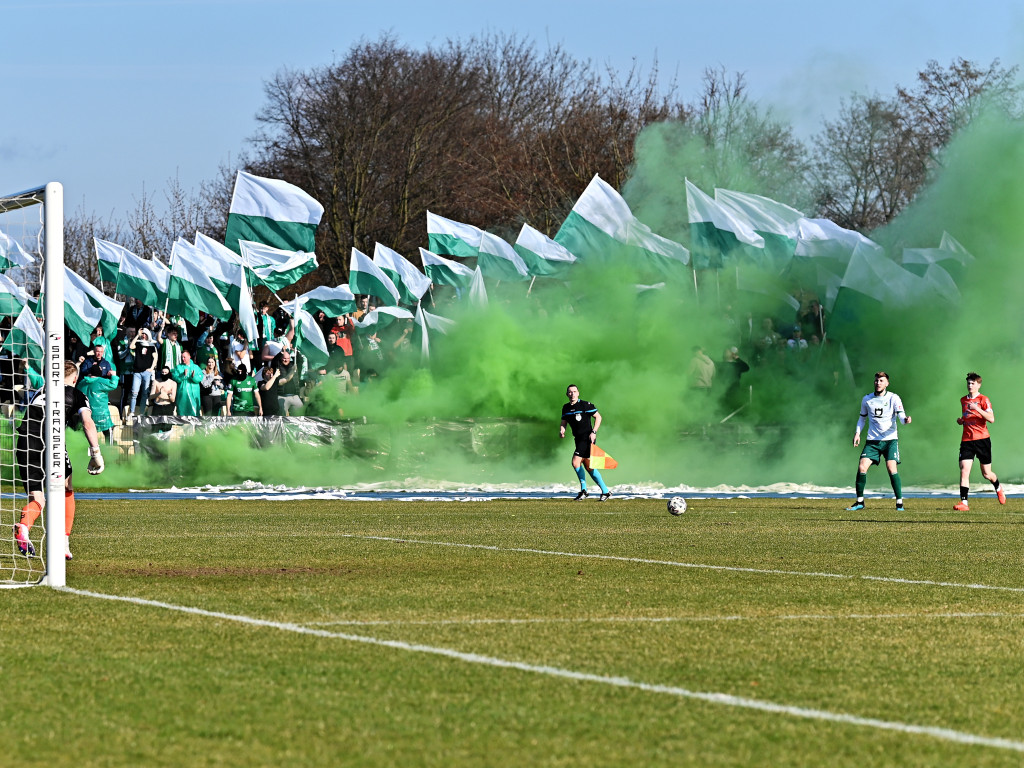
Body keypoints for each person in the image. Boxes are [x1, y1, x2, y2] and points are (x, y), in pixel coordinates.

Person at [15, 360, 104, 561]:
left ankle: (24, 527)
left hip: (25, 441)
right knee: (66, 487)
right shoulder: (76, 393)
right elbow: (88, 423)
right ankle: (63, 543)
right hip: (51, 441)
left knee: (37, 498)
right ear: (75, 378)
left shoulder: (41, 390)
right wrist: (96, 454)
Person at [846, 371, 912, 511]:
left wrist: (905, 421)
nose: (878, 383)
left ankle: (899, 503)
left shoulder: (894, 398)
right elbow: (862, 418)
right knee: (862, 467)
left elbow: (901, 417)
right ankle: (859, 502)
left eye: (881, 380)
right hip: (873, 441)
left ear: (887, 383)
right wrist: (857, 433)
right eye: (876, 380)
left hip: (890, 440)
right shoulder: (867, 399)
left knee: (891, 468)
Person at [954, 372, 1006, 510]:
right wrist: (962, 420)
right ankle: (964, 503)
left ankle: (998, 487)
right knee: (964, 470)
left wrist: (977, 408)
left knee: (986, 474)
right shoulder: (963, 400)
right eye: (968, 383)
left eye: (973, 383)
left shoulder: (984, 399)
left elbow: (991, 418)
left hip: (982, 440)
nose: (970, 386)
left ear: (978, 385)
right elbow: (967, 416)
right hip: (966, 440)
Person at [559, 384, 611, 501]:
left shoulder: (585, 405)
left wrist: (594, 432)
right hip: (577, 439)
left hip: (587, 438)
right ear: (567, 394)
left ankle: (584, 490)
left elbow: (598, 417)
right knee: (589, 467)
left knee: (575, 462)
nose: (572, 394)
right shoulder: (566, 408)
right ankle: (606, 491)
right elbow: (564, 421)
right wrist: (562, 430)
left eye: (574, 391)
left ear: (578, 393)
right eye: (570, 392)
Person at [128, 328, 157, 419]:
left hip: (146, 373)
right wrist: (137, 335)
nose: (144, 336)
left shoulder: (152, 346)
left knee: (145, 393)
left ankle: (141, 413)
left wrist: (151, 368)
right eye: (142, 334)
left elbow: (155, 358)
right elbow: (131, 346)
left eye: (145, 334)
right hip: (137, 372)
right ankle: (132, 412)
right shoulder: (138, 344)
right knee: (134, 393)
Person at [170, 349, 204, 417]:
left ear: (189, 357)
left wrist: (193, 377)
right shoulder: (178, 367)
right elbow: (175, 378)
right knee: (182, 411)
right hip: (182, 394)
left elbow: (200, 378)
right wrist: (183, 376)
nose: (183, 359)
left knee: (194, 411)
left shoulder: (195, 367)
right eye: (182, 357)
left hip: (194, 393)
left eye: (184, 357)